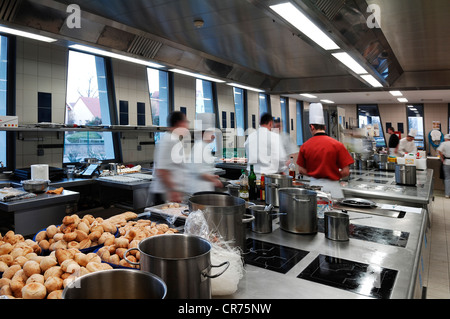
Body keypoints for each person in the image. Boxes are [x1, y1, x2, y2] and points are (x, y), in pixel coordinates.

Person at [296, 103, 354, 199]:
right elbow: (346, 171)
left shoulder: (305, 146)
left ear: (312, 127)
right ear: (325, 127)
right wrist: (333, 175)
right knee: (334, 213)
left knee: (314, 213)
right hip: (334, 189)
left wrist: (314, 174)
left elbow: (301, 170)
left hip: (314, 189)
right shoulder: (337, 145)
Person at [150, 111, 189, 204]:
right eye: (186, 122)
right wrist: (173, 191)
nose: (187, 126)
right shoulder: (168, 140)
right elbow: (161, 170)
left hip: (170, 192)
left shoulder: (174, 139)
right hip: (165, 194)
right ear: (180, 123)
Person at [244, 113, 286, 178]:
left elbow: (248, 154)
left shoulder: (250, 137)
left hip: (252, 176)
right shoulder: (275, 137)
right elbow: (281, 159)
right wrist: (282, 169)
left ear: (260, 123)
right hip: (270, 177)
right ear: (270, 123)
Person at [190, 113, 223, 194]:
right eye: (211, 133)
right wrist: (213, 180)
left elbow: (203, 169)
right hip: (199, 190)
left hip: (206, 188)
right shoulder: (199, 147)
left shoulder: (205, 147)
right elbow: (198, 171)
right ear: (202, 133)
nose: (213, 136)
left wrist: (212, 176)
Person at [437, 134, 450, 198]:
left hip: (446, 162)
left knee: (447, 178)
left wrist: (442, 158)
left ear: (445, 138)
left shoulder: (444, 143)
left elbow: (439, 151)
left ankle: (447, 194)